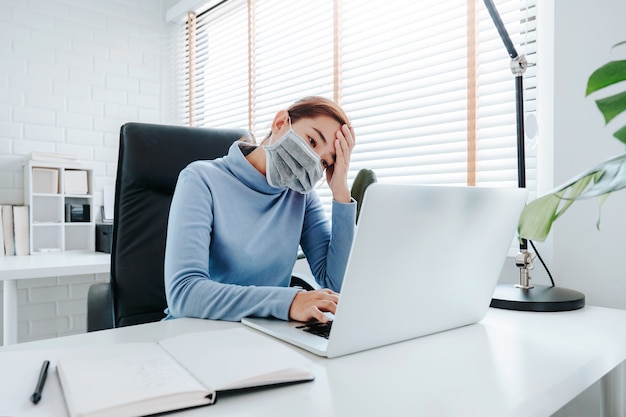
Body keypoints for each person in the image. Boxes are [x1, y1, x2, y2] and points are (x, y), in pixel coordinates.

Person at [163, 96, 356, 324]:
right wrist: (288, 302)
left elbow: (335, 285)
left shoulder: (301, 197)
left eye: (324, 162)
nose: (313, 162)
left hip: (263, 335)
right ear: (280, 122)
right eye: (312, 141)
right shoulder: (200, 179)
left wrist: (341, 192)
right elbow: (184, 293)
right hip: (195, 333)